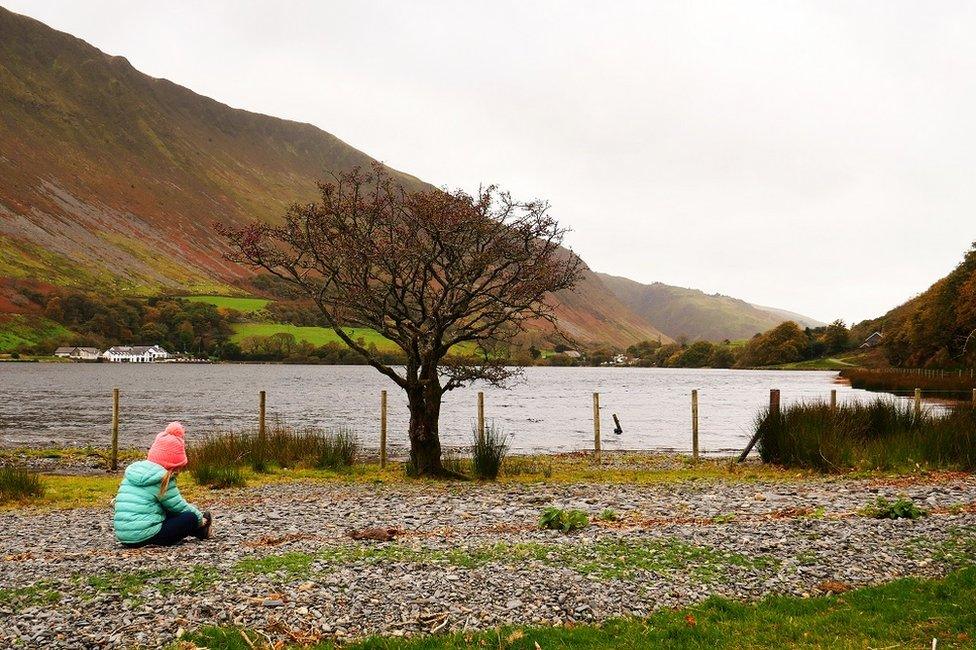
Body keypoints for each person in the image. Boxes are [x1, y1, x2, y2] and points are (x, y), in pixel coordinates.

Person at [113, 421, 212, 547]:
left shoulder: (133, 473)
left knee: (167, 509)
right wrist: (200, 519)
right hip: (147, 537)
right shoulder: (162, 478)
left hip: (124, 537)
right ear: (173, 464)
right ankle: (201, 529)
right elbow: (179, 506)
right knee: (190, 517)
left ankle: (199, 531)